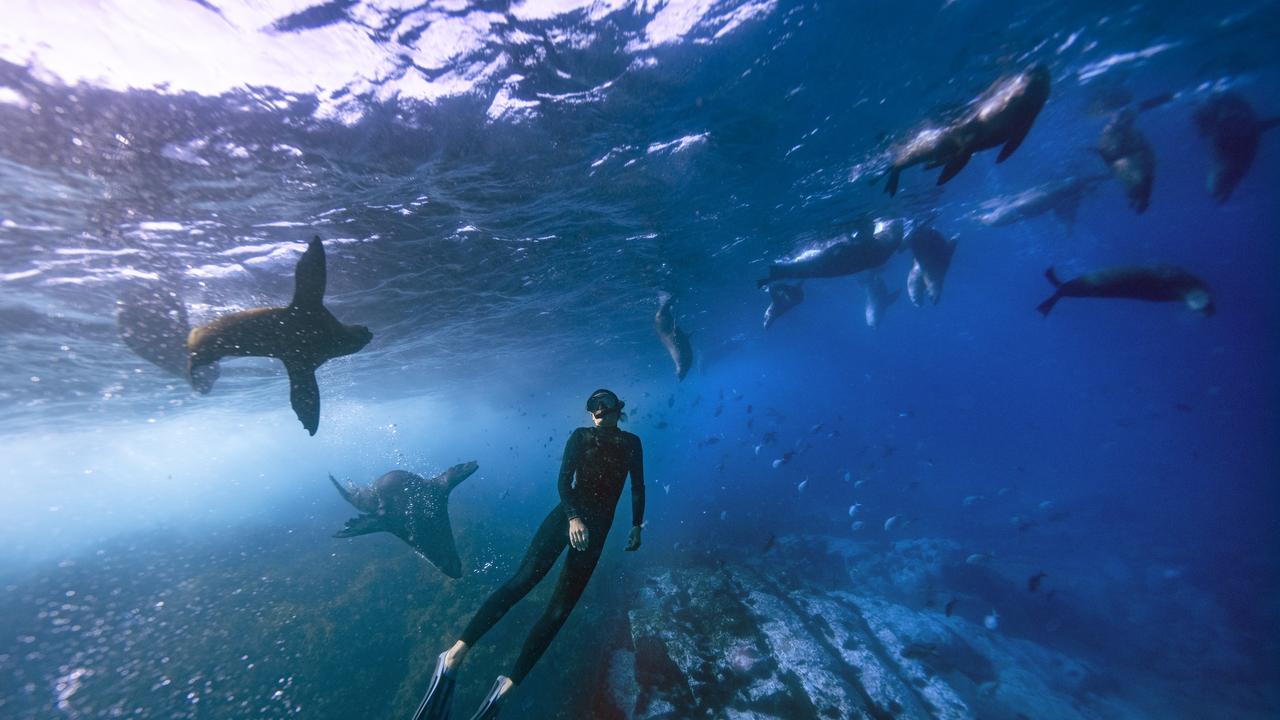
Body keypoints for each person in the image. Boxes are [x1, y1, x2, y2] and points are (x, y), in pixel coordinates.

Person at [413, 389, 646, 720]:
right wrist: (574, 517)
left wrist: (637, 526)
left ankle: (507, 687)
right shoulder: (580, 437)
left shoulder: (631, 443)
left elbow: (638, 486)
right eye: (592, 406)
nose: (597, 410)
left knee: (560, 610)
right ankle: (453, 656)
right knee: (522, 582)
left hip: (598, 531)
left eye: (603, 404)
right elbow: (564, 482)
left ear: (617, 409)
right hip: (566, 519)